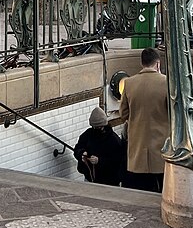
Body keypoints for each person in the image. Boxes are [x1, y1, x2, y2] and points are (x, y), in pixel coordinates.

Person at [118, 47, 170, 192]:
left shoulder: (129, 83)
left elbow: (123, 113)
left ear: (142, 63)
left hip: (138, 149)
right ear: (158, 64)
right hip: (161, 150)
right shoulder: (167, 82)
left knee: (140, 191)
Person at [73, 106, 126, 186]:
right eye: (95, 127)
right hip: (90, 178)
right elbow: (77, 149)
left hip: (109, 181)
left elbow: (117, 161)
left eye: (99, 127)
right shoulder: (87, 135)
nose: (97, 129)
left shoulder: (113, 140)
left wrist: (100, 161)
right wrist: (82, 153)